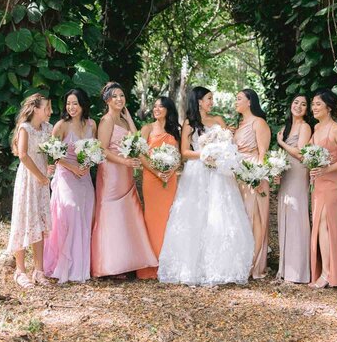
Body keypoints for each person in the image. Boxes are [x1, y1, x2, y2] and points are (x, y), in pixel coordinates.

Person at [158, 86, 254, 286]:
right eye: (209, 98)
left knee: (221, 215)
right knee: (195, 216)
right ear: (199, 101)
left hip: (218, 173)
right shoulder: (188, 123)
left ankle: (220, 267)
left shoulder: (219, 120)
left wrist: (223, 148)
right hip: (197, 172)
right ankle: (192, 267)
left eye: (212, 98)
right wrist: (204, 154)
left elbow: (230, 144)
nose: (212, 102)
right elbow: (184, 151)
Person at [91, 82, 157, 278]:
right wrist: (123, 161)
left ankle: (128, 262)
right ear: (107, 100)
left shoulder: (122, 120)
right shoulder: (106, 120)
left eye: (122, 96)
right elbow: (102, 149)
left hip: (125, 172)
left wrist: (128, 117)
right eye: (115, 96)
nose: (119, 99)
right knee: (112, 213)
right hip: (111, 172)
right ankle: (110, 265)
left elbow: (136, 139)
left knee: (127, 211)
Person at [44, 88, 96, 283]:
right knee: (71, 212)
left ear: (82, 104)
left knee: (85, 214)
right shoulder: (61, 126)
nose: (71, 107)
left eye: (75, 103)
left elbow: (95, 149)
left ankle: (80, 268)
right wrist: (73, 168)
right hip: (66, 175)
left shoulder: (92, 124)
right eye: (68, 104)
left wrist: (87, 165)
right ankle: (65, 265)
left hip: (85, 176)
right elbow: (53, 154)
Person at [309, 88, 337, 289]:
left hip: (333, 182)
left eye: (318, 104)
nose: (313, 108)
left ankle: (328, 273)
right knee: (319, 225)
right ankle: (326, 270)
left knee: (326, 224)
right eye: (313, 104)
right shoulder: (316, 129)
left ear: (329, 107)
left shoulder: (336, 129)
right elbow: (309, 155)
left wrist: (327, 168)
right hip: (319, 182)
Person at [7, 93, 53, 288]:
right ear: (35, 109)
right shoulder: (25, 128)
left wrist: (51, 166)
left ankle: (39, 270)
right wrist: (40, 176)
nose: (50, 111)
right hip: (29, 179)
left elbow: (52, 152)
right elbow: (23, 156)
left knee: (40, 223)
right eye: (46, 108)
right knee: (23, 220)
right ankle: (20, 270)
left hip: (42, 182)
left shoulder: (49, 129)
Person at [137, 96, 181, 279]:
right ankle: (150, 265)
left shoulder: (175, 131)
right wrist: (156, 172)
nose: (156, 109)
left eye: (160, 107)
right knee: (151, 218)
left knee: (167, 218)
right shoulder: (147, 128)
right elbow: (140, 154)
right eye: (154, 106)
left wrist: (170, 172)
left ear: (168, 110)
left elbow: (178, 157)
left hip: (169, 180)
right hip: (151, 178)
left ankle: (166, 263)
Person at [234, 88, 271, 279]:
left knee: (255, 218)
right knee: (243, 219)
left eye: (239, 98)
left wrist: (258, 176)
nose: (236, 101)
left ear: (250, 102)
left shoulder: (259, 123)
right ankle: (241, 259)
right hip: (239, 176)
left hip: (254, 175)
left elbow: (263, 152)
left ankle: (253, 264)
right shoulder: (239, 125)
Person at [276, 94, 312, 283]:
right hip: (286, 175)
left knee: (297, 216)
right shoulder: (285, 128)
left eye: (303, 104)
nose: (298, 106)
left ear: (307, 110)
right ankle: (286, 268)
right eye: (296, 102)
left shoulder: (305, 127)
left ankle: (298, 270)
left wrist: (281, 143)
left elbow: (301, 154)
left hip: (298, 174)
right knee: (285, 215)